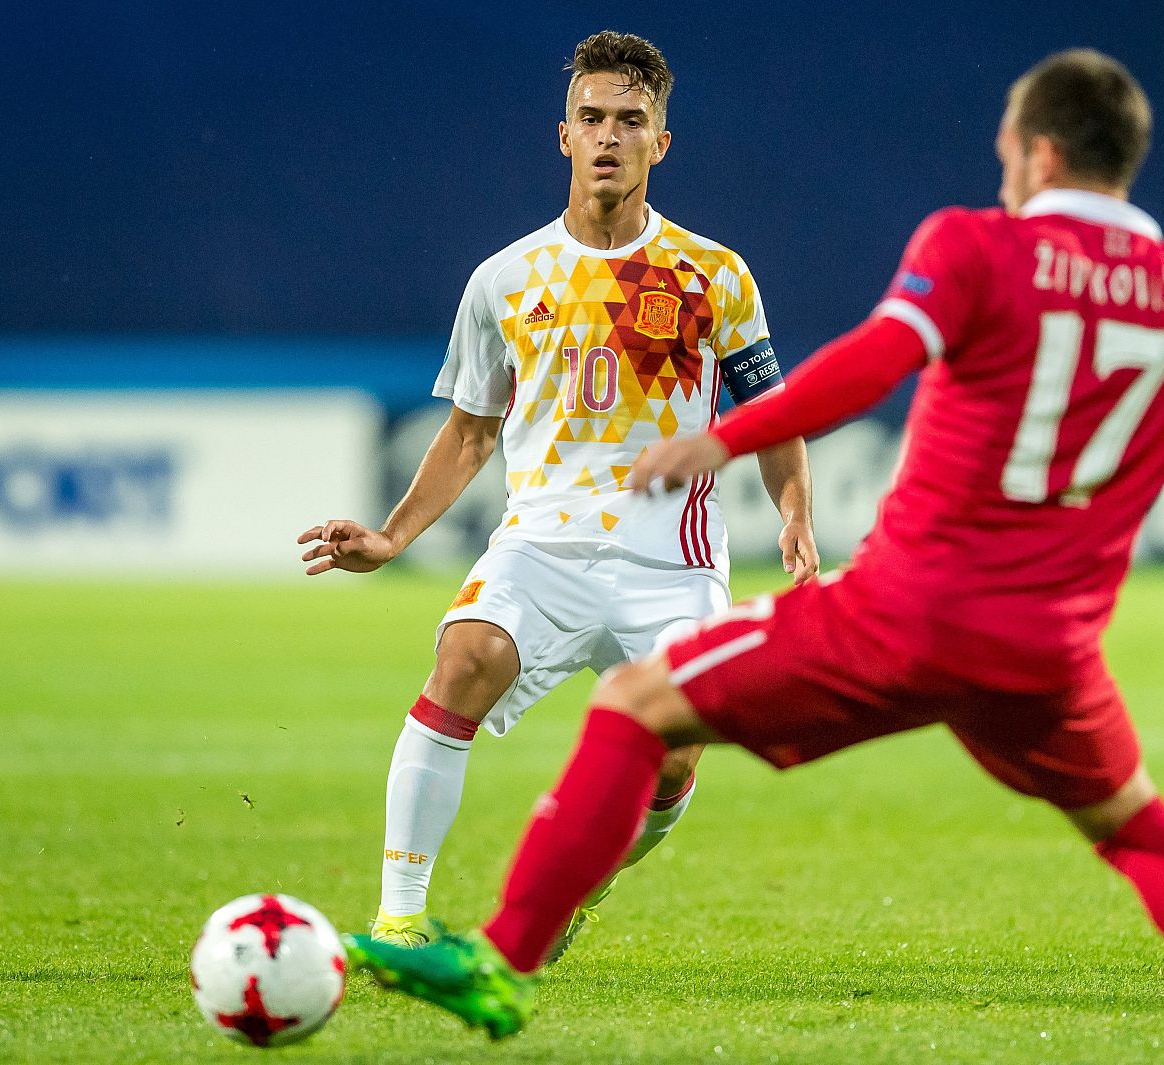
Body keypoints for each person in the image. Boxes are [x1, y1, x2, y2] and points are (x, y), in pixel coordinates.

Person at [340, 48, 1164, 1061]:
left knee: (639, 707)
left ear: (1036, 155)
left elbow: (874, 359)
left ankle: (501, 967)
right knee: (1138, 824)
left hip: (905, 615)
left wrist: (733, 438)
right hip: (1051, 656)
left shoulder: (977, 248)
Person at [298, 30, 816, 963]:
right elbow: (469, 432)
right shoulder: (503, 280)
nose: (609, 136)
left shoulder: (716, 275)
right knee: (463, 660)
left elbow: (773, 415)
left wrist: (794, 517)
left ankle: (591, 884)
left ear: (662, 142)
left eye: (631, 120)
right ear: (564, 136)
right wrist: (391, 536)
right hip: (542, 547)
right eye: (592, 119)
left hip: (675, 560)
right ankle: (398, 918)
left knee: (677, 754)